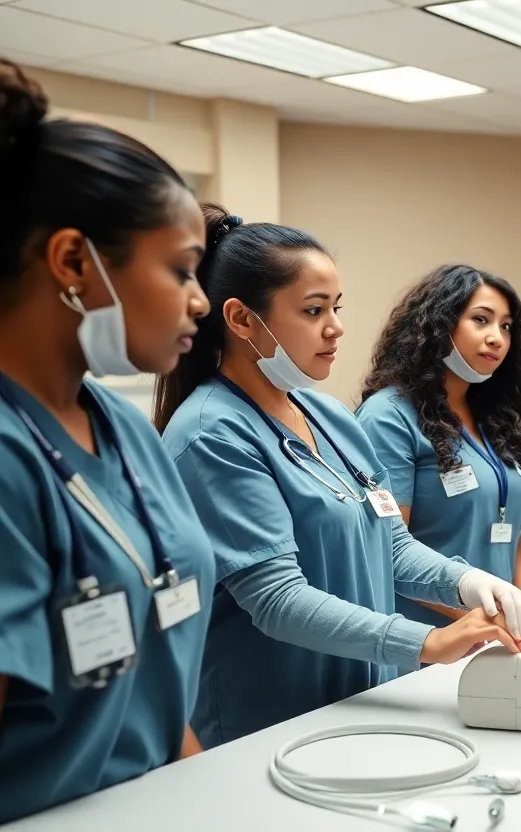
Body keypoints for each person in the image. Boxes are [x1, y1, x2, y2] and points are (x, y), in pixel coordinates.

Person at [155, 206, 521, 748]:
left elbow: (392, 545)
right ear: (240, 319)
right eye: (313, 310)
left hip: (360, 696)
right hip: (269, 722)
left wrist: (466, 580)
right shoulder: (211, 433)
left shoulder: (328, 416)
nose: (336, 327)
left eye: (335, 306)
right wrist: (426, 640)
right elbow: (277, 598)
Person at [0, 61, 215, 822]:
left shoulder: (119, 424)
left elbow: (153, 671)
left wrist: (200, 797)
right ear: (72, 263)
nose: (200, 300)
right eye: (182, 268)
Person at [357, 264, 521, 630]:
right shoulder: (388, 415)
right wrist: (481, 619)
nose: (497, 338)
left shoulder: (497, 417)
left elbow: (502, 523)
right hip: (424, 637)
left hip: (495, 632)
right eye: (481, 320)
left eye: (506, 327)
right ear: (439, 325)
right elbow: (386, 551)